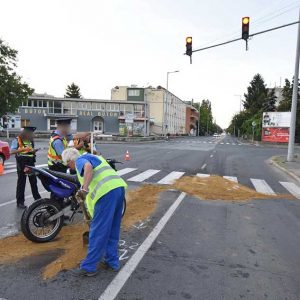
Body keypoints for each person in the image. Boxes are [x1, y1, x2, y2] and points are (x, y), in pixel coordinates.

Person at [61, 148, 127, 277]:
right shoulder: (94, 157)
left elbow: (87, 167)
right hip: (118, 189)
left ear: (69, 161)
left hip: (106, 194)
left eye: (67, 164)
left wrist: (84, 189)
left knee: (98, 231)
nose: (69, 167)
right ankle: (112, 261)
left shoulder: (80, 161)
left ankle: (89, 266)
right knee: (113, 228)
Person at [10, 126, 41, 209]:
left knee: (33, 181)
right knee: (21, 182)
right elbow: (12, 151)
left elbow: (30, 151)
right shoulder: (17, 139)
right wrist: (23, 149)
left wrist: (33, 151)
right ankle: (20, 202)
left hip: (30, 162)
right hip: (22, 163)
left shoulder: (30, 140)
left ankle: (37, 199)